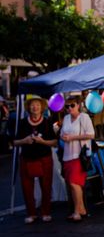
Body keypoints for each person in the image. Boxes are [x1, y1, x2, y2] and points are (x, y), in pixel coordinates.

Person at [13, 96, 57, 224]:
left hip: (44, 158)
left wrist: (42, 141)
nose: (35, 107)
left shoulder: (48, 122)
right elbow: (15, 142)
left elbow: (54, 142)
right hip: (26, 159)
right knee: (27, 188)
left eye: (37, 104)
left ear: (42, 107)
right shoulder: (22, 122)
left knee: (46, 186)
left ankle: (46, 212)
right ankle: (31, 213)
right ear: (28, 107)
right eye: (32, 105)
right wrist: (25, 141)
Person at [59, 95, 95, 222]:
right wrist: (64, 137)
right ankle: (82, 209)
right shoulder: (66, 118)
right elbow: (62, 134)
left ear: (78, 105)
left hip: (80, 155)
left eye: (72, 105)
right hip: (68, 154)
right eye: (67, 106)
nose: (69, 108)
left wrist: (73, 138)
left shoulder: (84, 117)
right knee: (72, 183)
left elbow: (91, 135)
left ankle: (76, 211)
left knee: (75, 183)